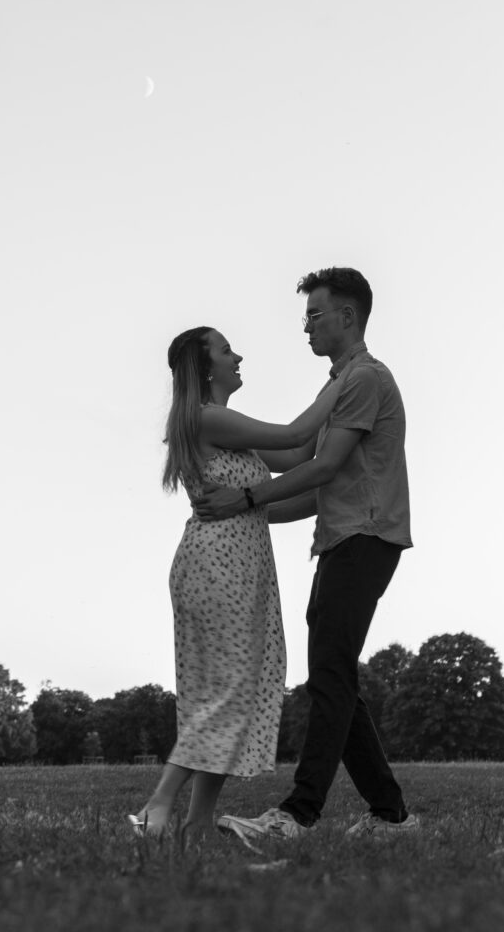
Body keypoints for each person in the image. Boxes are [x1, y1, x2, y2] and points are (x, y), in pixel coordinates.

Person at [194, 267, 418, 843]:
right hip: (341, 539)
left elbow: (323, 467)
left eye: (315, 315)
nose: (307, 327)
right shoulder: (335, 385)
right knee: (333, 676)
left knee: (330, 675)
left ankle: (297, 815)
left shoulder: (365, 379)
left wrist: (244, 498)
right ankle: (390, 816)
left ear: (348, 315)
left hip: (367, 538)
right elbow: (303, 470)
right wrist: (239, 502)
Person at [128, 324, 347, 838]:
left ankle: (198, 822)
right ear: (206, 369)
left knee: (234, 695)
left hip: (240, 567)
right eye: (227, 350)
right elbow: (295, 435)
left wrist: (333, 473)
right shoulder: (209, 418)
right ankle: (157, 810)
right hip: (216, 567)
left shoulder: (226, 429)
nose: (238, 356)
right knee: (225, 695)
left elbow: (296, 460)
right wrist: (344, 379)